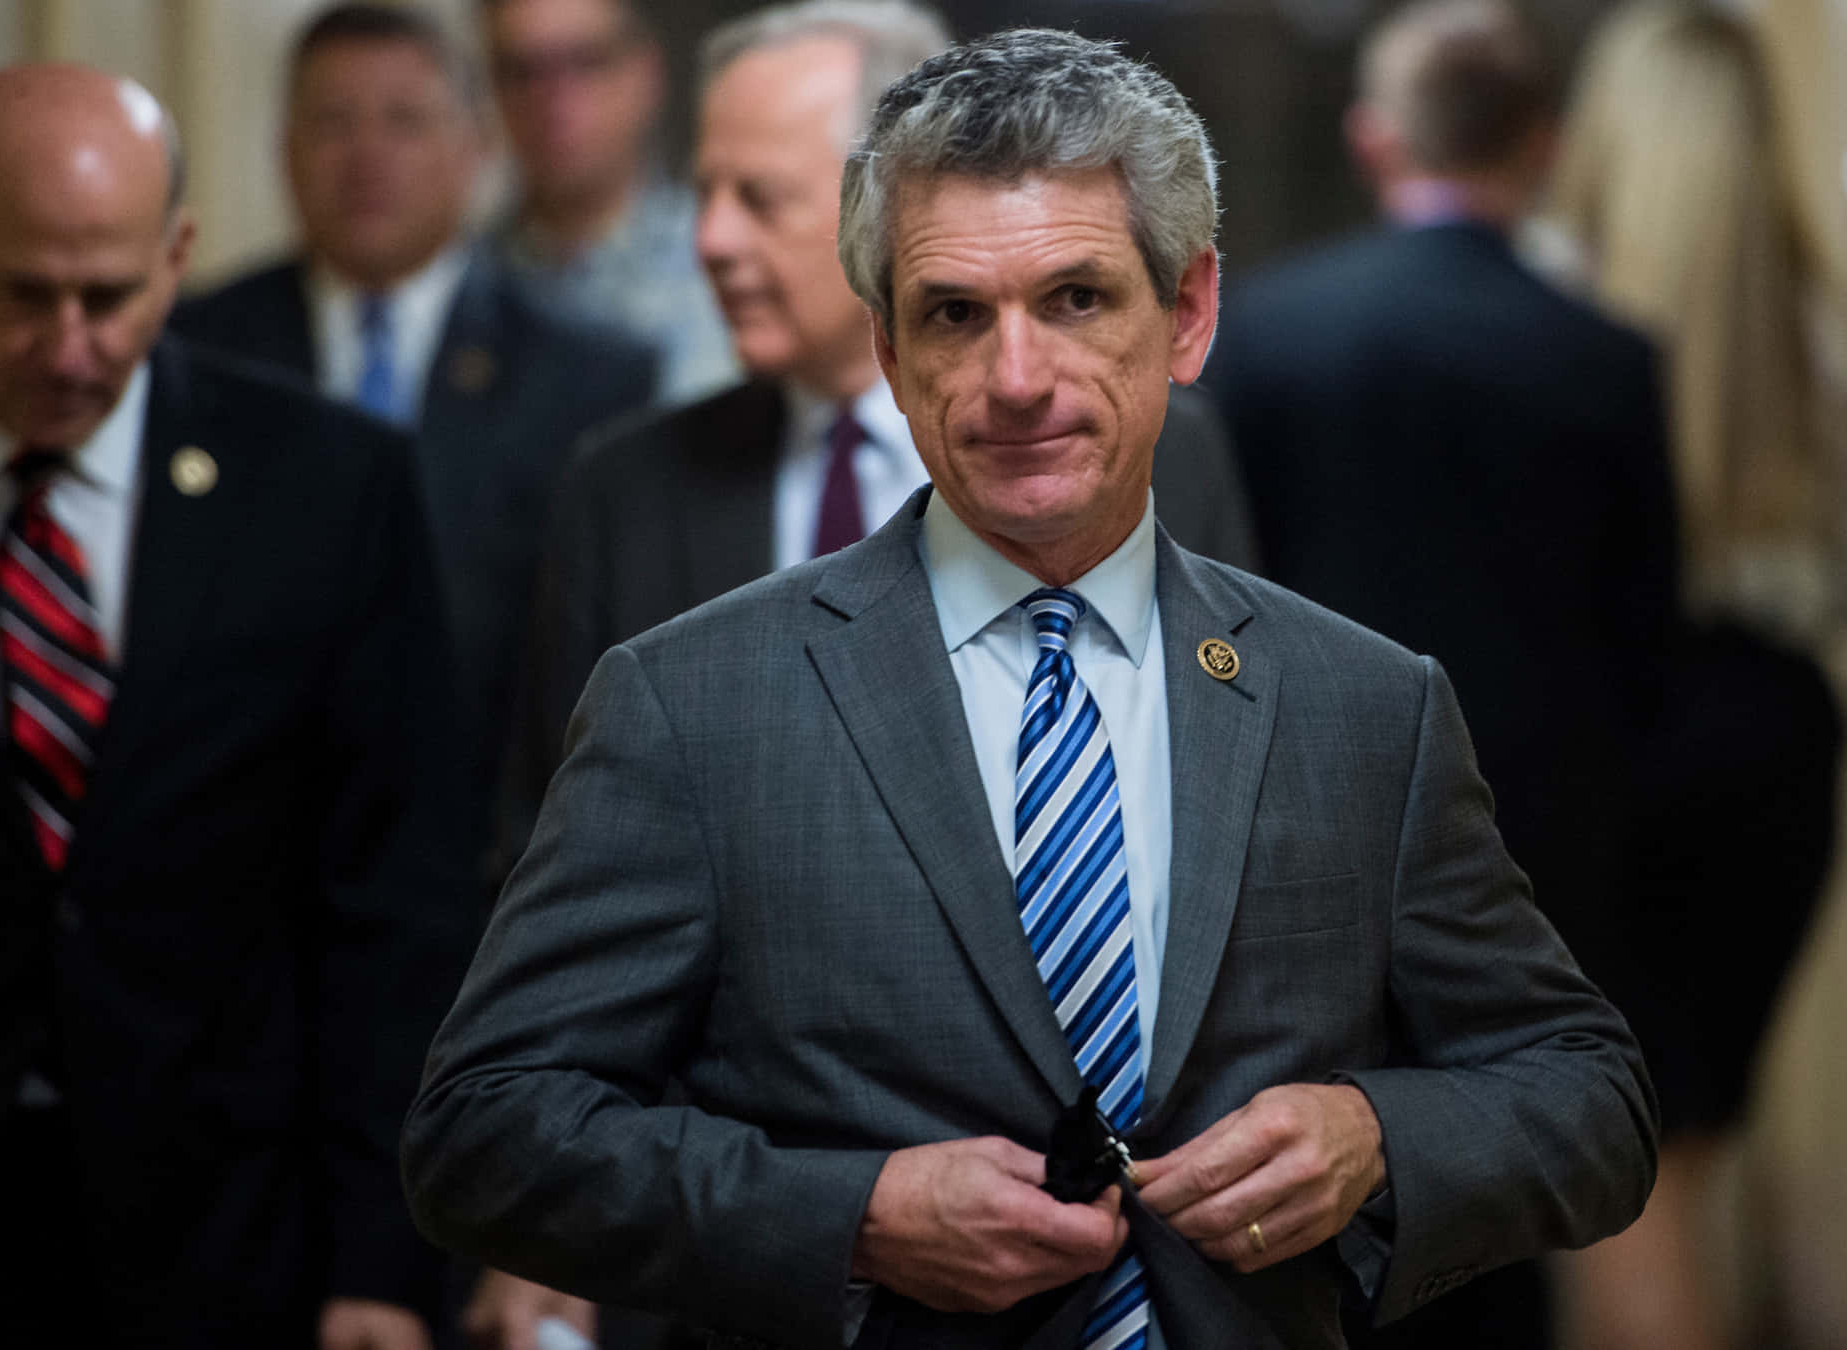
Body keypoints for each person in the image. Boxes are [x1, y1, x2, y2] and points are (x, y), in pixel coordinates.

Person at [403, 27, 1656, 1349]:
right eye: (956, 313)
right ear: (889, 350)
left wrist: (1377, 1135)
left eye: (1075, 298)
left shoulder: (1364, 706)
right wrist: (851, 1212)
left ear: (1186, 315)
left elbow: (1591, 1095)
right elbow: (482, 1126)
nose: (1016, 379)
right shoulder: (695, 703)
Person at [0, 64, 471, 1349]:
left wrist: (385, 1265)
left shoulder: (330, 486)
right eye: (22, 294)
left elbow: (396, 901)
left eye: (110, 296)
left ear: (175, 256)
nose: (70, 346)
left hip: (232, 1235)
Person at [498, 0, 1258, 859]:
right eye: (704, 191)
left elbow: (1231, 766)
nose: (711, 238)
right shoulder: (624, 486)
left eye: (760, 197)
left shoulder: (1146, 446)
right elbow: (554, 841)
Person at [1206, 8, 1679, 1340]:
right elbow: (1646, 654)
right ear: (1545, 145)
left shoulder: (1267, 335)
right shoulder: (1611, 361)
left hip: (1286, 857)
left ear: (1372, 141)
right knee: (1494, 1220)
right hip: (1541, 865)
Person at [173, 1, 655, 895]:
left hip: (484, 876)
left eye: (404, 120)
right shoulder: (196, 350)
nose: (367, 155)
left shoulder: (589, 376)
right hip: (228, 873)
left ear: (477, 145)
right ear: (283, 150)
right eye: (333, 122)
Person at [1537, 6, 1841, 1346]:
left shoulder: (1543, 319)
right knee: (1734, 1155)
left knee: (1629, 1190)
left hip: (1608, 743)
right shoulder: (1811, 328)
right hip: (1782, 738)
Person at [481, 0, 738, 403]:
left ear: (646, 71)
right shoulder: (462, 280)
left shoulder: (727, 263)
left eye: (584, 61)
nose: (553, 97)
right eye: (524, 71)